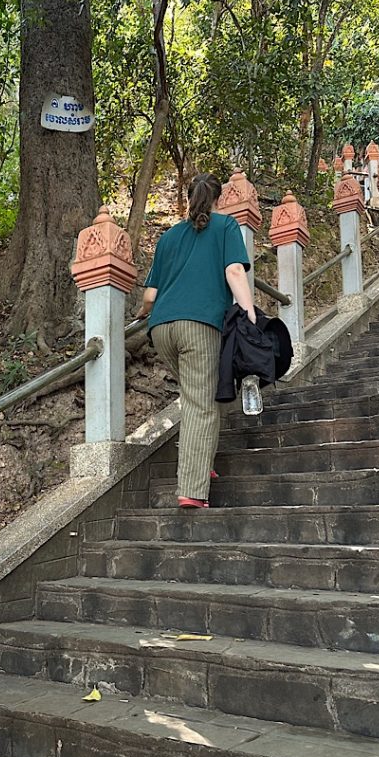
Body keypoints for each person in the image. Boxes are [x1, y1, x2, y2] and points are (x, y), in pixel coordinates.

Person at [137, 173, 256, 508]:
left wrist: (144, 312)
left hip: (161, 329)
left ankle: (201, 462)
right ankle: (191, 489)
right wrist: (248, 312)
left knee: (196, 394)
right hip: (199, 325)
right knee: (200, 405)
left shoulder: (169, 237)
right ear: (218, 198)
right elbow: (234, 271)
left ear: (188, 198)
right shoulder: (225, 226)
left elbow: (150, 295)